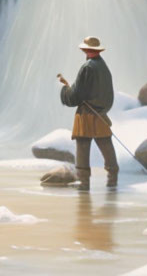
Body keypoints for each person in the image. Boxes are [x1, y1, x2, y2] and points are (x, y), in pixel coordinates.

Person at [58, 36, 118, 190]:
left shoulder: (87, 68)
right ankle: (112, 182)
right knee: (105, 143)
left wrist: (65, 90)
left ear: (86, 50)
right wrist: (102, 109)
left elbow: (76, 96)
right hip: (101, 115)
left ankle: (83, 184)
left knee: (83, 145)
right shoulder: (104, 66)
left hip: (86, 115)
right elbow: (108, 95)